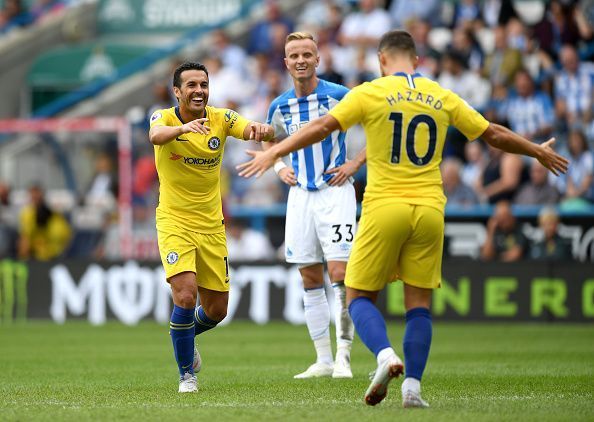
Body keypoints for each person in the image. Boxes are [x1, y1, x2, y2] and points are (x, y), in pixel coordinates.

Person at [237, 30, 568, 408]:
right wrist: (535, 151)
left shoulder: (369, 91)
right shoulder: (440, 94)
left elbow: (321, 127)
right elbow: (492, 133)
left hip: (385, 207)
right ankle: (412, 388)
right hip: (430, 210)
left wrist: (273, 152)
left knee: (358, 296)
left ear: (381, 60)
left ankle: (383, 355)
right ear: (416, 61)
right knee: (418, 305)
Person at [148, 61, 274, 393]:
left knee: (217, 310)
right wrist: (183, 130)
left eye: (203, 85)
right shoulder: (163, 118)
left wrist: (263, 131)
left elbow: (249, 127)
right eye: (191, 85)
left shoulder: (220, 118)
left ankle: (181, 334)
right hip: (174, 221)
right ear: (177, 91)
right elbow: (155, 135)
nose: (199, 91)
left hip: (212, 227)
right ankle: (186, 374)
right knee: (186, 295)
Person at [264, 31, 365, 379]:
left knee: (339, 273)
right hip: (301, 197)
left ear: (318, 59)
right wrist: (279, 167)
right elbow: (270, 142)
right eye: (295, 55)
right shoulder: (279, 105)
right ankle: (323, 359)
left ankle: (344, 358)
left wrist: (355, 163)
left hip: (335, 192)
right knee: (308, 274)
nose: (301, 60)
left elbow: (382, 130)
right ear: (286, 62)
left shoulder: (340, 97)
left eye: (308, 54)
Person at [17, 184, 72, 261]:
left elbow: (65, 236)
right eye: (33, 197)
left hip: (54, 255)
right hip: (35, 256)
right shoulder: (27, 214)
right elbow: (25, 238)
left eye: (38, 196)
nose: (36, 199)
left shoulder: (54, 215)